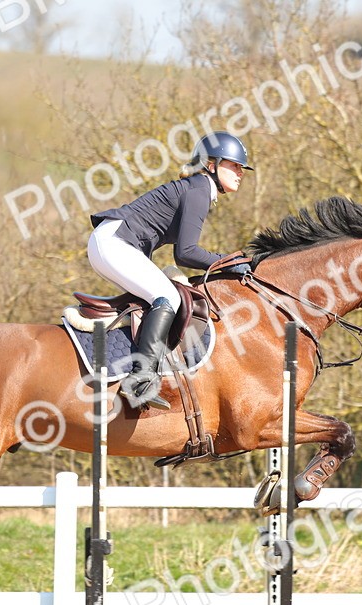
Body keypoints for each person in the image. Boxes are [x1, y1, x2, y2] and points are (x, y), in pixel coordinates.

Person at [87, 130, 253, 410]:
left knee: (158, 297)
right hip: (114, 242)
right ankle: (140, 380)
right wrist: (228, 262)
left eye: (242, 168)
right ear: (211, 165)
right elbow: (186, 252)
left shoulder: (198, 188)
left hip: (112, 241)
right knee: (168, 297)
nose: (240, 173)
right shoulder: (200, 189)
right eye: (234, 165)